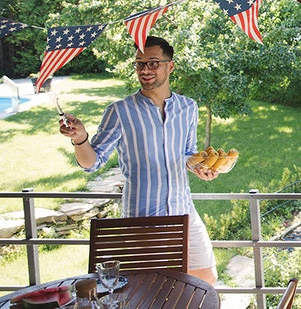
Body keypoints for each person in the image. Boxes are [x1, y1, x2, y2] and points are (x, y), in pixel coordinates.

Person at [59, 36, 219, 285]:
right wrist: (81, 139)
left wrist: (199, 166)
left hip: (184, 211)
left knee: (205, 279)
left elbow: (188, 152)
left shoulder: (188, 107)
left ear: (171, 66)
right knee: (149, 289)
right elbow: (93, 163)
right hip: (143, 219)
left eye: (153, 63)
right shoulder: (120, 111)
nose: (145, 70)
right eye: (140, 63)